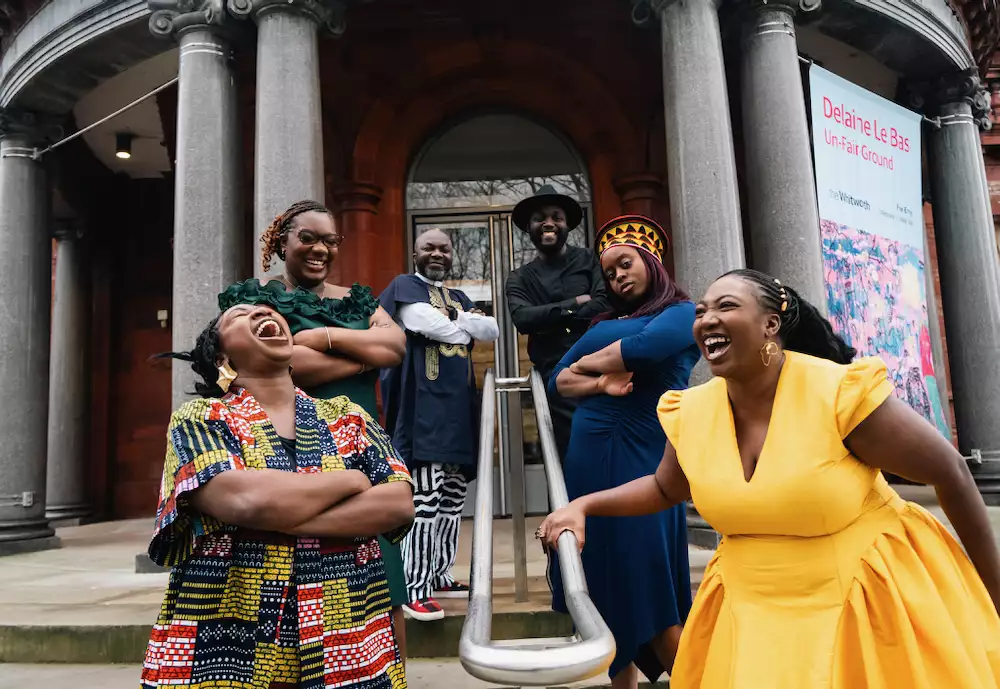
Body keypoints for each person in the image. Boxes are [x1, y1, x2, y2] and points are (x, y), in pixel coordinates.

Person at [540, 268, 1000, 688]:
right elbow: (665, 487)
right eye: (700, 311)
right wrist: (583, 505)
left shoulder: (838, 394)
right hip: (750, 618)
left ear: (770, 325)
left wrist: (994, 594)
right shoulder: (692, 410)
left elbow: (951, 471)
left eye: (726, 306)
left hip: (863, 608)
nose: (706, 319)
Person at [141, 304, 414, 689]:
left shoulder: (347, 416)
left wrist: (275, 514)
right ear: (222, 358)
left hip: (346, 634)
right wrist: (350, 480)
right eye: (239, 315)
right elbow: (241, 501)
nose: (260, 313)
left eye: (265, 310)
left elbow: (397, 503)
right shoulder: (200, 418)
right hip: (226, 640)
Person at [218, 199, 414, 659]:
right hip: (287, 448)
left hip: (362, 448)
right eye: (307, 238)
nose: (319, 249)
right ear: (281, 240)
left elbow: (395, 346)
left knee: (385, 586)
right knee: (297, 567)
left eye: (329, 240)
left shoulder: (356, 299)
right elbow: (286, 364)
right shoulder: (256, 299)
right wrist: (363, 353)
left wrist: (323, 337)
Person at [545, 215, 698, 689]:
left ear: (651, 262)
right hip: (591, 458)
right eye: (609, 273)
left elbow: (645, 348)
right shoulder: (607, 321)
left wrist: (587, 365)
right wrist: (601, 380)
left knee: (649, 583)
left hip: (643, 456)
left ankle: (699, 677)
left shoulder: (682, 311)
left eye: (625, 264)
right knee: (610, 584)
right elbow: (556, 382)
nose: (618, 277)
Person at [379, 228, 499, 621]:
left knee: (452, 497)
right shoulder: (404, 286)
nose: (437, 253)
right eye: (428, 247)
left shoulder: (458, 297)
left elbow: (492, 330)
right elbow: (423, 323)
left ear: (452, 255)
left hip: (459, 411)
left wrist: (458, 318)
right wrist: (464, 324)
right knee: (425, 501)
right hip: (423, 410)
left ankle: (440, 572)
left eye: (444, 248)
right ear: (414, 251)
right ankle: (415, 587)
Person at [506, 185, 610, 461]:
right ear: (529, 228)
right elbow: (523, 319)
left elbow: (603, 304)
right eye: (540, 218)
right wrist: (575, 304)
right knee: (570, 453)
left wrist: (548, 316)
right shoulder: (519, 277)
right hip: (556, 375)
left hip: (602, 366)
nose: (548, 223)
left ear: (566, 225)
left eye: (556, 217)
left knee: (608, 447)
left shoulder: (591, 259)